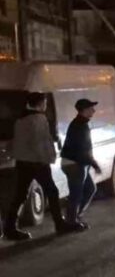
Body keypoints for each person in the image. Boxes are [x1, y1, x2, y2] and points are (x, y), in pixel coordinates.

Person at [2, 93, 73, 241]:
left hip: (22, 162)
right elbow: (42, 143)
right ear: (40, 104)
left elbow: (16, 142)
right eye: (45, 103)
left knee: (20, 195)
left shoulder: (20, 119)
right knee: (52, 191)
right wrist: (50, 158)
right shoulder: (39, 119)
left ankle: (10, 228)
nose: (46, 106)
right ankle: (59, 223)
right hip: (37, 162)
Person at [61, 98, 101, 229]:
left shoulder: (81, 123)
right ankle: (72, 221)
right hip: (74, 164)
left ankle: (74, 217)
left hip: (77, 163)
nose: (93, 110)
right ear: (84, 110)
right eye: (91, 108)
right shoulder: (79, 125)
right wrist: (95, 164)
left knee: (89, 189)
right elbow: (83, 150)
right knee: (76, 194)